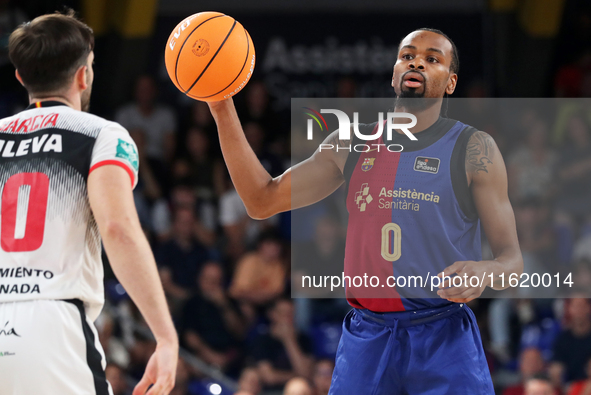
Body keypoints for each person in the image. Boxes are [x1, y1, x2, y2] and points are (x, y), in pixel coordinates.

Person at [207, 28, 523, 394]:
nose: (417, 61)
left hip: (443, 334)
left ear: (450, 83)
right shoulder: (351, 142)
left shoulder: (474, 149)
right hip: (369, 336)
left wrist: (485, 271)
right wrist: (221, 106)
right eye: (407, 55)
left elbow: (512, 262)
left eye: (432, 58)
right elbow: (261, 201)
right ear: (394, 74)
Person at [0, 10, 178, 394]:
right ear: (84, 75)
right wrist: (165, 336)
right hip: (52, 324)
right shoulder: (101, 134)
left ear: (21, 77)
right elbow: (117, 228)